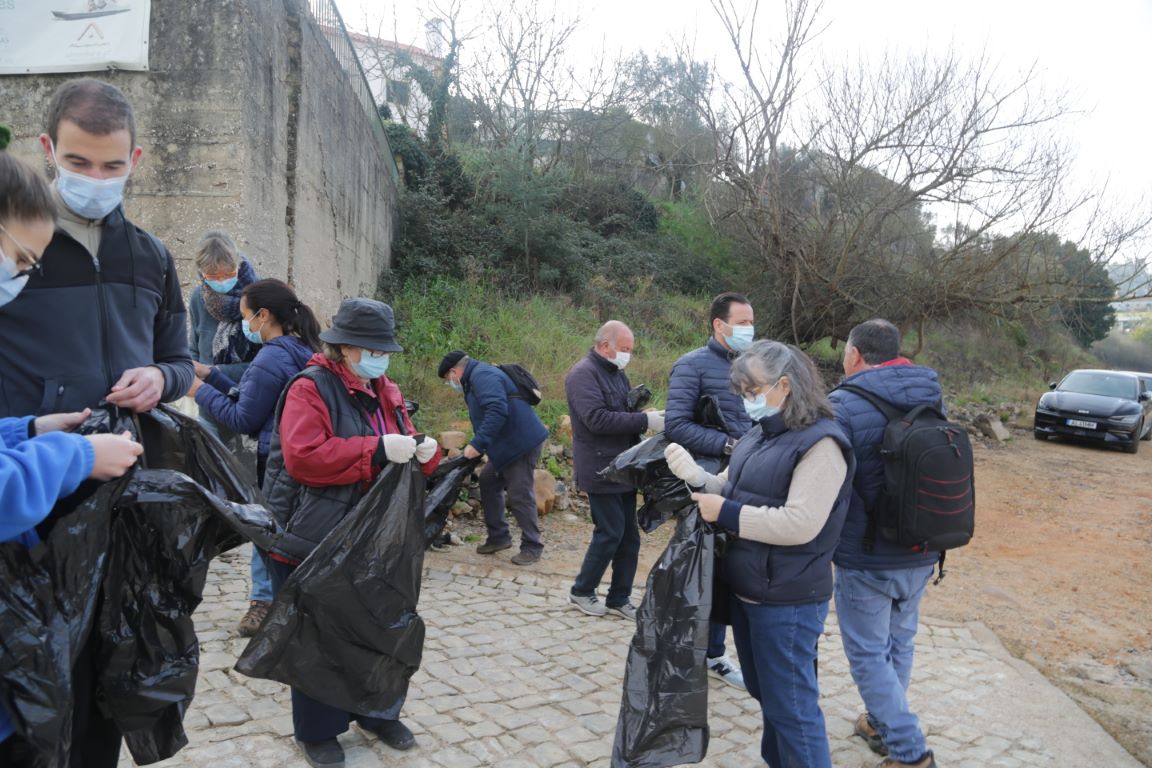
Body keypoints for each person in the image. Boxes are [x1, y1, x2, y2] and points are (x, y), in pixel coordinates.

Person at [0, 79, 193, 768]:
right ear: (49, 149)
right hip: (29, 500)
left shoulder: (151, 256)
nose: (95, 179)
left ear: (135, 159)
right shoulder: (16, 247)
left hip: (122, 498)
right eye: (79, 163)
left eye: (112, 166)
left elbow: (181, 358)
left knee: (109, 671)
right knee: (33, 679)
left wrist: (161, 379)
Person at [261, 298, 441, 767]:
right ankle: (317, 731)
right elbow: (304, 457)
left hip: (373, 534)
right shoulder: (310, 388)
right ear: (343, 347)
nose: (378, 358)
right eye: (368, 348)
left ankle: (377, 710)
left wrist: (426, 452)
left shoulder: (386, 389)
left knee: (378, 626)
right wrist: (378, 448)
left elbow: (402, 439)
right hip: (315, 530)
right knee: (317, 634)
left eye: (383, 350)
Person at [664, 340, 854, 768]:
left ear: (784, 386)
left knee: (793, 710)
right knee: (768, 696)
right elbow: (730, 485)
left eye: (752, 391)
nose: (747, 401)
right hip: (751, 590)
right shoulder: (761, 433)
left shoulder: (822, 446)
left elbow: (801, 524)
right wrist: (695, 475)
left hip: (787, 599)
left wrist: (727, 512)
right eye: (743, 392)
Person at [827, 319, 943, 768]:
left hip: (867, 553)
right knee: (901, 642)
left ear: (854, 354)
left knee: (868, 655)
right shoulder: (931, 393)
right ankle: (879, 722)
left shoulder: (843, 403)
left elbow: (830, 481)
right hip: (922, 544)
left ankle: (910, 752)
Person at [188, 278, 320, 636]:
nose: (246, 325)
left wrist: (197, 390)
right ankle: (282, 604)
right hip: (296, 460)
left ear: (263, 316)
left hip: (274, 462)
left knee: (268, 534)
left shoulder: (271, 355)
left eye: (246, 316)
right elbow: (256, 397)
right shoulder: (303, 349)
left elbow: (243, 418)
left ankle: (270, 606)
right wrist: (211, 374)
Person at [664, 291, 755, 690]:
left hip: (746, 482)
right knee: (700, 570)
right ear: (719, 325)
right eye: (743, 323)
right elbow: (676, 426)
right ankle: (694, 652)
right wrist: (727, 446)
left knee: (730, 571)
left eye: (752, 323)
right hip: (705, 482)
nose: (750, 330)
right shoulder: (691, 366)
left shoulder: (754, 367)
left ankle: (713, 652)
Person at [565, 321, 663, 620]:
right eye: (624, 349)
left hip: (623, 464)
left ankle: (619, 598)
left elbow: (622, 413)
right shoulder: (583, 375)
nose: (627, 355)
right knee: (610, 532)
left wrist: (642, 416)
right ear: (604, 345)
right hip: (599, 466)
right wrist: (644, 423)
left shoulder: (616, 373)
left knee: (629, 537)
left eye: (630, 350)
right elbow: (597, 420)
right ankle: (582, 591)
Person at [438, 351, 548, 565]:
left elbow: (497, 410)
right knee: (488, 481)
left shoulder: (482, 376)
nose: (450, 383)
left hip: (520, 443)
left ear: (454, 371)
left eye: (447, 379)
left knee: (519, 493)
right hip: (507, 446)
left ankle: (532, 547)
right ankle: (499, 537)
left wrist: (477, 444)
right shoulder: (475, 377)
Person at [187, 230, 258, 386]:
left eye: (228, 274)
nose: (221, 281)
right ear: (202, 273)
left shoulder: (259, 296)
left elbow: (269, 361)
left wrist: (216, 372)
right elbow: (194, 348)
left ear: (238, 266)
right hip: (208, 395)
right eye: (212, 276)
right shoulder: (198, 298)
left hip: (248, 393)